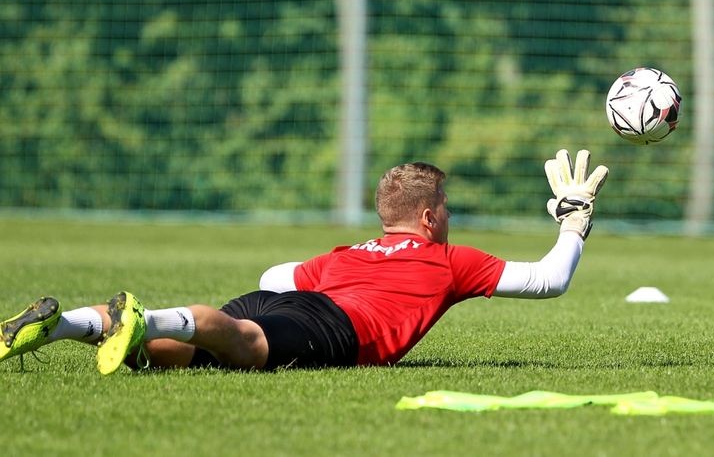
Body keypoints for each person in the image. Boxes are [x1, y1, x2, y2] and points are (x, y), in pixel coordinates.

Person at [0, 149, 608, 373]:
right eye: (444, 207)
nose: (448, 216)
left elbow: (273, 278)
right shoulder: (446, 259)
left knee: (171, 362)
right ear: (428, 218)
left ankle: (61, 325)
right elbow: (549, 280)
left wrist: (328, 277)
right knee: (241, 341)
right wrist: (574, 222)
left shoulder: (348, 252)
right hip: (338, 326)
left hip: (297, 298)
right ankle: (145, 316)